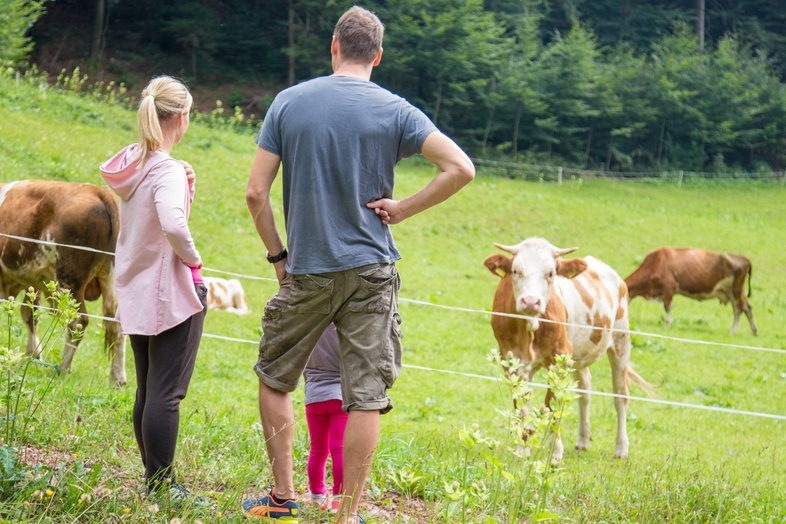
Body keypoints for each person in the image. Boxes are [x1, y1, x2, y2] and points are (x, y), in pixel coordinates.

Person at [243, 6, 474, 523]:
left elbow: (256, 193)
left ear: (333, 46)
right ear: (378, 55)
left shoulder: (289, 102)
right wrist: (402, 208)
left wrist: (279, 257)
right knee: (365, 395)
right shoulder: (397, 110)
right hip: (372, 269)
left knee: (276, 376)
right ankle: (347, 515)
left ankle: (282, 498)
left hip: (308, 268)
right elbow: (461, 168)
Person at [100, 75, 209, 505]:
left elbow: (153, 211)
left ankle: (153, 478)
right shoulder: (164, 168)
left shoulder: (137, 163)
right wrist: (194, 260)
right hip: (169, 292)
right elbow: (171, 222)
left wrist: (186, 183)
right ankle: (163, 488)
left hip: (137, 286)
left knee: (148, 389)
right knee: (167, 393)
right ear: (181, 118)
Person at [304, 324, 347, 514]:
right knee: (340, 450)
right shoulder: (343, 324)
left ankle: (317, 497)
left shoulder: (309, 324)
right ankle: (339, 500)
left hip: (314, 397)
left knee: (318, 450)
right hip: (340, 396)